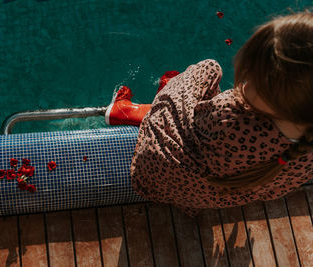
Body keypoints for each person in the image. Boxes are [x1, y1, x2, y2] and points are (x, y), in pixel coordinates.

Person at [105, 12, 313, 217]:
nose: (246, 77)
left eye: (254, 77)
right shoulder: (306, 149)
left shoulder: (230, 115)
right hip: (209, 196)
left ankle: (125, 111)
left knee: (209, 69)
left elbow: (187, 120)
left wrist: (174, 95)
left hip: (159, 176)